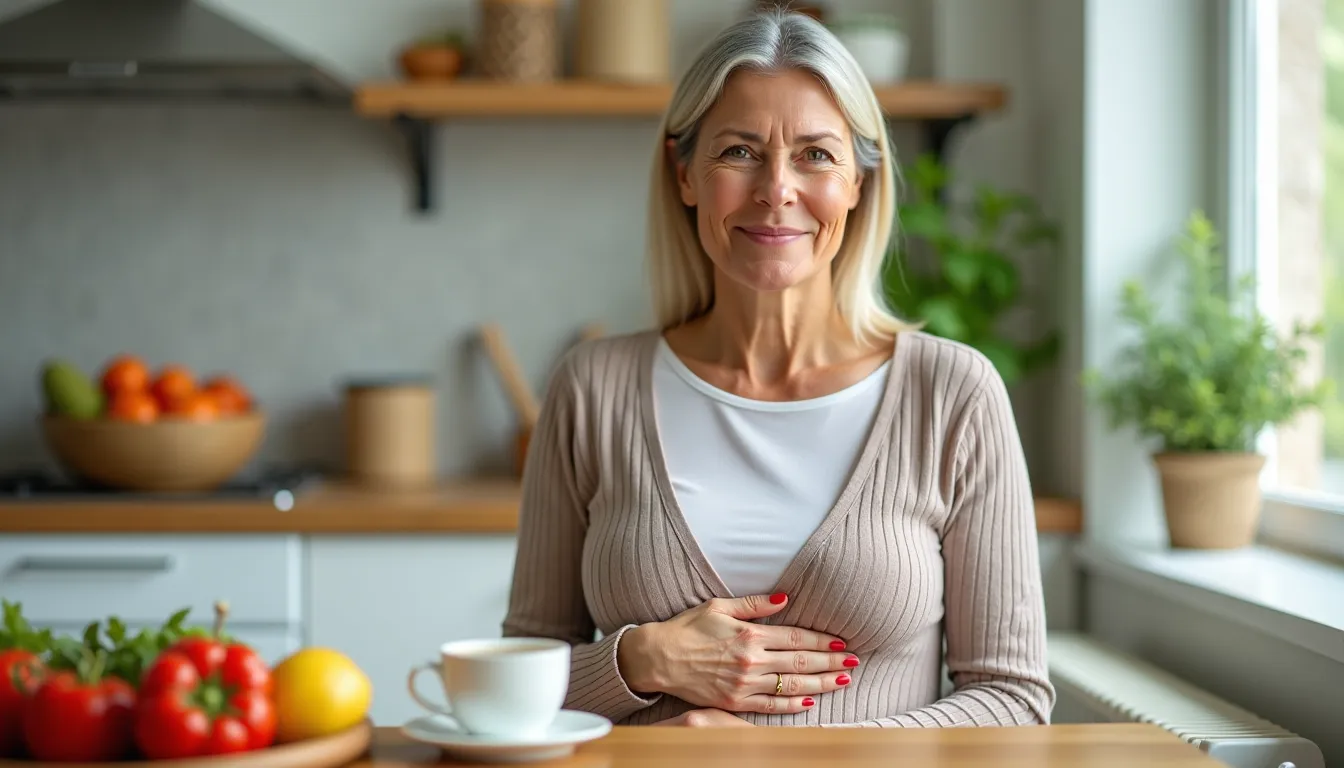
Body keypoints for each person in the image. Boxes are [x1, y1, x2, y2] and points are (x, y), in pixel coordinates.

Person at [501, 9, 1055, 728]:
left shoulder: (952, 394)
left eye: (816, 155)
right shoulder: (593, 388)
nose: (776, 189)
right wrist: (639, 660)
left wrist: (797, 758)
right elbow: (519, 676)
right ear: (685, 173)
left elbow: (1013, 701)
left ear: (858, 182)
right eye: (738, 151)